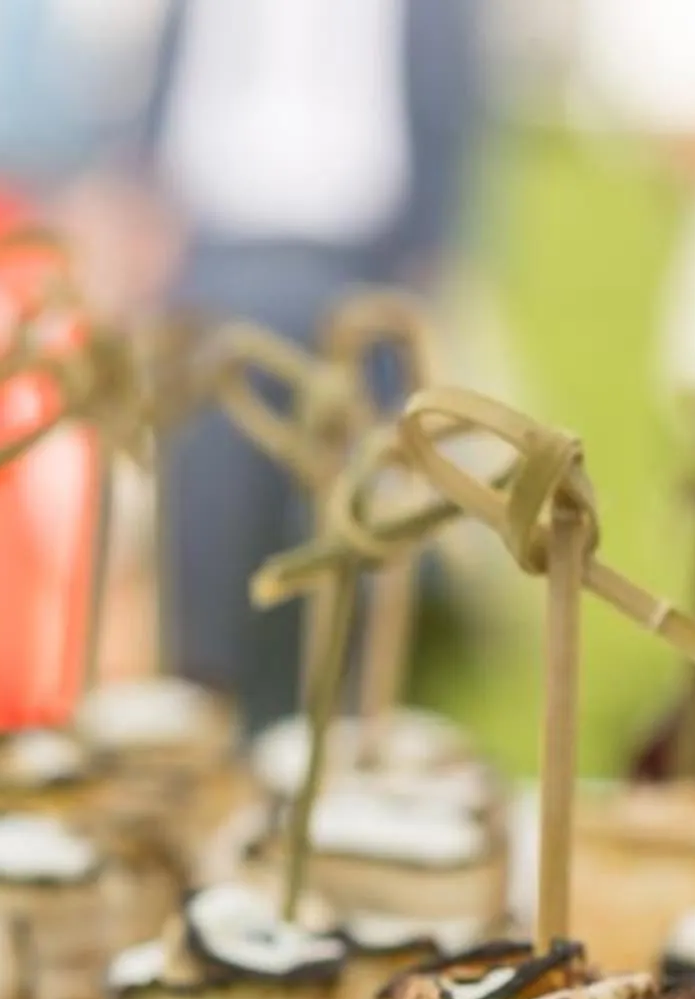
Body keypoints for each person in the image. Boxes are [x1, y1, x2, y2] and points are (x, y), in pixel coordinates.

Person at [138, 0, 485, 718]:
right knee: (208, 536)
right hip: (214, 265)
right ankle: (208, 732)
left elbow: (455, 105)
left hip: (356, 274)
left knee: (338, 535)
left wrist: (431, 270)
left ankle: (322, 733)